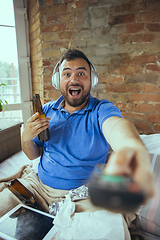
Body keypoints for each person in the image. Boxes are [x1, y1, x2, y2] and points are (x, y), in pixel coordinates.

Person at [0, 49, 154, 239]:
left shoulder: (101, 109)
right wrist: (26, 137)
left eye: (81, 73)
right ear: (59, 81)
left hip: (83, 197)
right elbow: (33, 155)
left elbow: (115, 126)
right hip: (36, 187)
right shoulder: (46, 110)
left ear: (92, 80)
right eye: (67, 74)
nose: (74, 79)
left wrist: (131, 147)